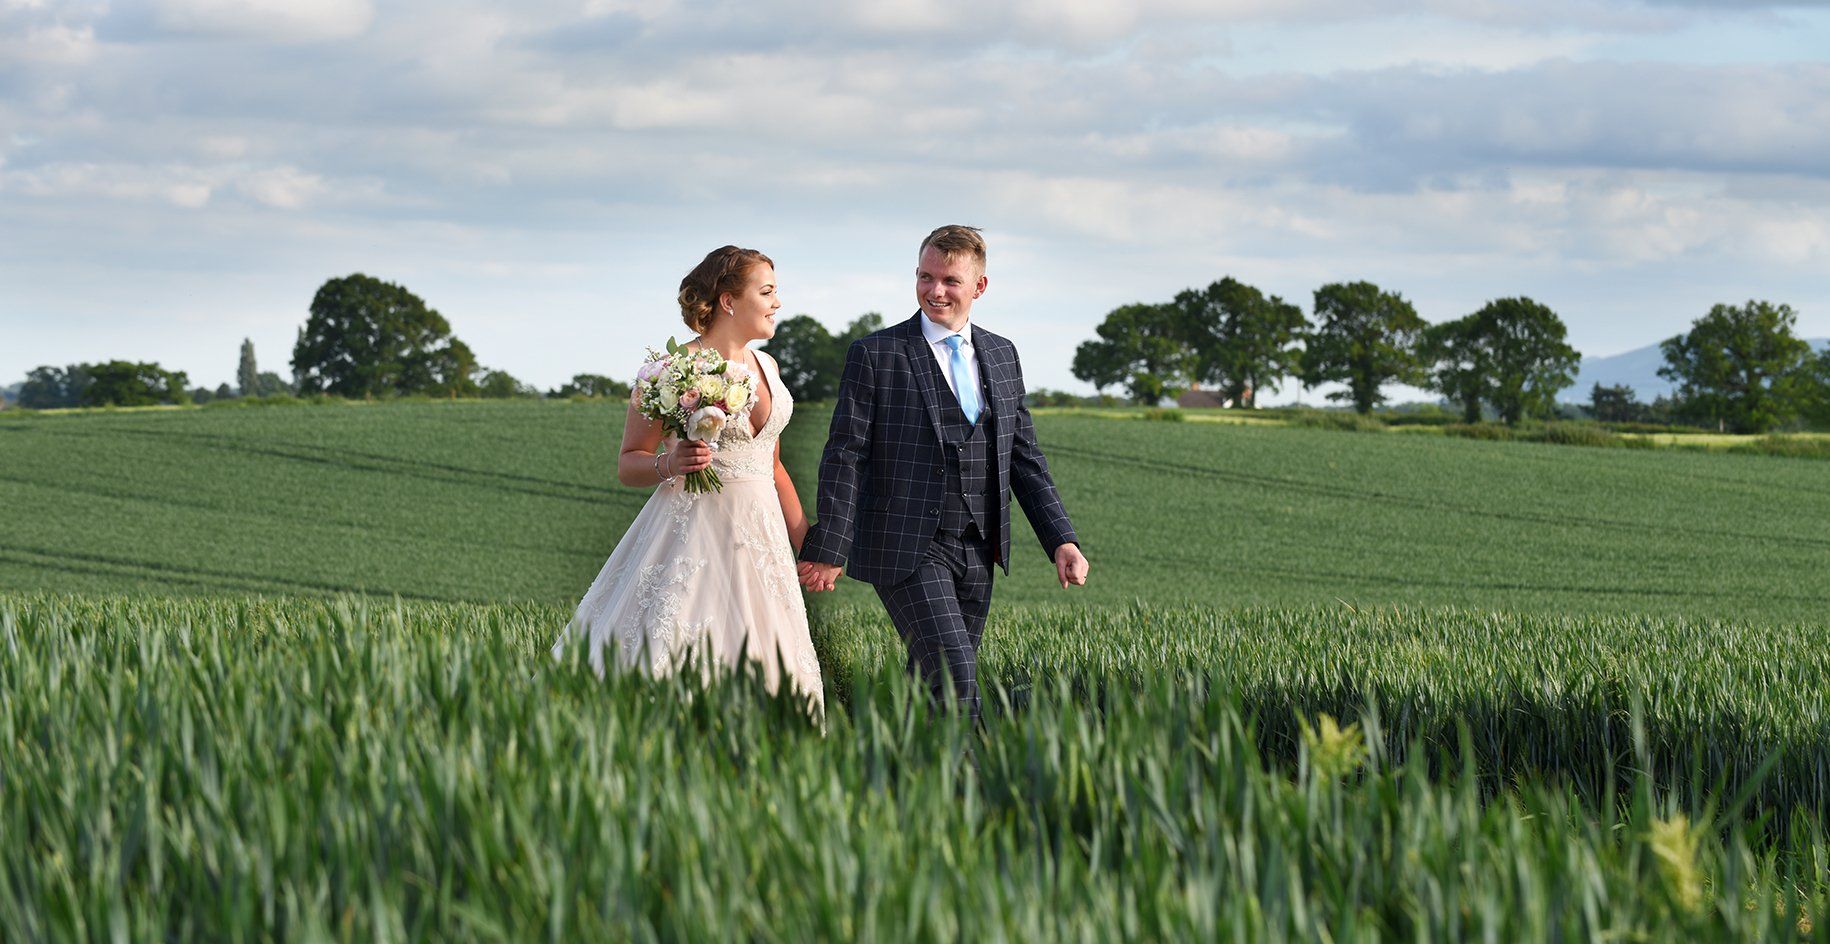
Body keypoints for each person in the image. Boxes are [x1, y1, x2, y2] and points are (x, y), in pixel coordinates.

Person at [797, 225, 1088, 723]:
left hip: (979, 546)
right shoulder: (876, 354)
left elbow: (1025, 457)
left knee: (933, 688)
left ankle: (901, 783)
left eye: (950, 280)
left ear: (979, 287)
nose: (935, 291)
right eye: (926, 277)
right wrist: (829, 547)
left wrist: (1061, 539)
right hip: (906, 545)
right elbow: (845, 453)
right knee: (956, 678)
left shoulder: (1002, 354)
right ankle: (976, 794)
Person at [553, 246, 824, 718]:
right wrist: (670, 462)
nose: (778, 302)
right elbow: (629, 462)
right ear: (728, 301)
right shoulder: (670, 372)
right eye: (767, 291)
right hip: (695, 535)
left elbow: (774, 468)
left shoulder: (771, 369)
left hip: (763, 546)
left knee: (769, 663)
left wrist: (811, 545)